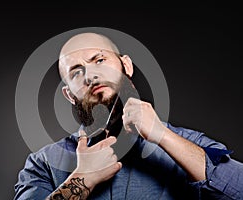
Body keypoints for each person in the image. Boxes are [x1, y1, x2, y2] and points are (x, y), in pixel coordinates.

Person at [14, 32, 243, 199]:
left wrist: (163, 136)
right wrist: (83, 177)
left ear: (126, 66)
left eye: (100, 60)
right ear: (69, 95)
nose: (91, 75)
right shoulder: (43, 163)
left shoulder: (189, 144)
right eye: (76, 72)